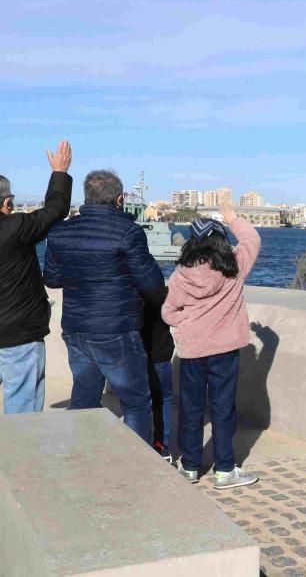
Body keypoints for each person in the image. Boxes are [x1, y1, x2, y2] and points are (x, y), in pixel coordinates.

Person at [45, 170, 163, 443]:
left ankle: (85, 460)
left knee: (84, 398)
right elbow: (152, 282)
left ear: (87, 196)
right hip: (116, 329)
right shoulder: (128, 231)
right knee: (135, 401)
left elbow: (52, 279)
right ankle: (137, 464)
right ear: (119, 199)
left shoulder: (60, 232)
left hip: (76, 329)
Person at [164, 205, 261, 490]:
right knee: (222, 409)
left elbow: (169, 312)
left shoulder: (182, 275)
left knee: (191, 408)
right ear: (221, 241)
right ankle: (224, 469)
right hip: (225, 350)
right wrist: (232, 218)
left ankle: (190, 466)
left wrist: (187, 323)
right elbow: (252, 239)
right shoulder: (234, 265)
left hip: (193, 350)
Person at [0, 141, 73, 414]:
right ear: (7, 202)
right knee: (23, 415)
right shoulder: (16, 226)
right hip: (19, 335)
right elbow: (55, 210)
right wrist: (60, 172)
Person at [142, 287, 175, 460]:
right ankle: (163, 445)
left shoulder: (133, 294)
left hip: (140, 358)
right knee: (164, 401)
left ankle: (144, 443)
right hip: (162, 356)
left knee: (142, 405)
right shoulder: (164, 296)